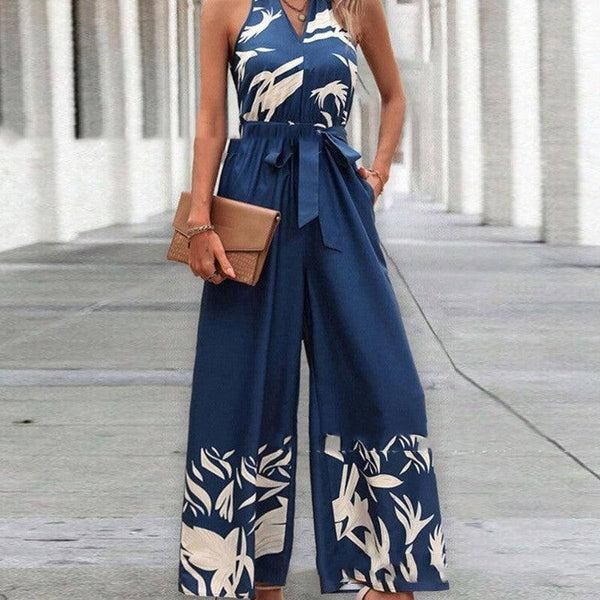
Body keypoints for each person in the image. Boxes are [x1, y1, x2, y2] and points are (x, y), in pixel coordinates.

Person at [177, 0, 450, 598]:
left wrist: (377, 175)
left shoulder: (354, 4)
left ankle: (390, 569)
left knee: (383, 377)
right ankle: (249, 574)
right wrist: (198, 220)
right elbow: (211, 120)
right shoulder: (225, 7)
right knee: (245, 380)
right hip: (251, 196)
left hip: (336, 198)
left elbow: (394, 97)